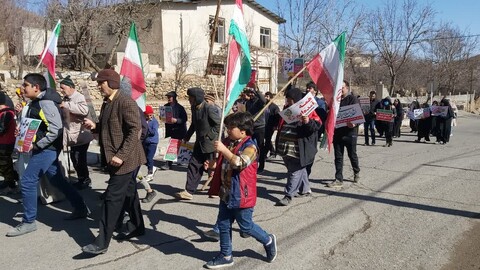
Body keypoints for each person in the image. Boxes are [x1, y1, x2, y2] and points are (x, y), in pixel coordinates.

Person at [6, 73, 89, 237]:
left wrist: (38, 144)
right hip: (44, 148)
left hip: (47, 149)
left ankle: (29, 222)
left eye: (25, 85)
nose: (22, 88)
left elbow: (55, 129)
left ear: (36, 87)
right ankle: (80, 207)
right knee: (56, 179)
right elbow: (36, 124)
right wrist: (21, 131)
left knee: (28, 180)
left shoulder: (46, 102)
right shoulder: (36, 102)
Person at [82, 69, 145, 255]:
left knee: (112, 199)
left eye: (101, 83)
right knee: (130, 193)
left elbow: (135, 131)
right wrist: (95, 126)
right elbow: (111, 126)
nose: (98, 86)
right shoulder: (107, 101)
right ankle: (137, 226)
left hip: (124, 160)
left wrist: (121, 155)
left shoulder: (125, 102)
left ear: (110, 83)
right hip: (114, 158)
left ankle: (101, 242)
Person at [204, 112, 277, 268]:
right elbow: (224, 162)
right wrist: (212, 166)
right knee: (223, 225)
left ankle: (268, 240)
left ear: (243, 131)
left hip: (242, 195)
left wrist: (223, 150)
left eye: (231, 127)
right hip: (226, 193)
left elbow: (239, 163)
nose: (228, 130)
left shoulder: (250, 146)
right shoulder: (228, 142)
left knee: (246, 226)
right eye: (227, 127)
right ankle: (226, 255)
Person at [275, 88, 321, 206]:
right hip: (285, 148)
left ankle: (288, 195)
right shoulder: (287, 110)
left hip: (299, 149)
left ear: (296, 100)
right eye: (287, 99)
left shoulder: (309, 110)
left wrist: (307, 121)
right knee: (299, 169)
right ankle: (305, 189)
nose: (288, 102)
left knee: (294, 171)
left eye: (290, 100)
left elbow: (316, 126)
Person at [175, 87, 221, 200]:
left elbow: (219, 125)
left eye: (191, 97)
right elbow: (194, 125)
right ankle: (189, 191)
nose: (190, 99)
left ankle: (216, 190)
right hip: (199, 143)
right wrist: (186, 137)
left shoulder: (209, 108)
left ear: (197, 98)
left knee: (213, 168)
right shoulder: (194, 108)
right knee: (193, 165)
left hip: (210, 144)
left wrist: (209, 136)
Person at [58, 76, 94, 190]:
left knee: (79, 158)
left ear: (71, 87)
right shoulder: (65, 98)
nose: (62, 90)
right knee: (74, 157)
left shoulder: (79, 97)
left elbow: (84, 110)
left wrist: (67, 106)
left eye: (63, 88)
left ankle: (85, 179)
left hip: (81, 134)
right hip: (72, 134)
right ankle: (81, 178)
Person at [327, 81, 360, 188]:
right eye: (338, 88)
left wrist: (354, 123)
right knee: (338, 157)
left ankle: (356, 172)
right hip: (338, 133)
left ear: (347, 88)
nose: (340, 90)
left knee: (352, 155)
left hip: (350, 133)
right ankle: (338, 178)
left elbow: (359, 116)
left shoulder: (352, 99)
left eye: (342, 88)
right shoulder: (335, 101)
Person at [162, 91, 187, 170]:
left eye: (170, 97)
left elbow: (184, 119)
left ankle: (169, 163)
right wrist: (162, 117)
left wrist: (176, 120)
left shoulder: (180, 108)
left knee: (174, 146)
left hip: (179, 130)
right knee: (172, 146)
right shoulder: (165, 106)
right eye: (168, 97)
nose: (168, 98)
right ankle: (170, 162)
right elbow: (163, 116)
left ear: (174, 98)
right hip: (170, 130)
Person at [244, 87, 267, 172]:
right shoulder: (248, 103)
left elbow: (264, 101)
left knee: (260, 146)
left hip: (260, 127)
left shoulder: (259, 102)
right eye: (250, 93)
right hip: (251, 127)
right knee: (249, 145)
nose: (251, 94)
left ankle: (261, 165)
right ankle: (250, 163)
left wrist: (257, 90)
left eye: (252, 93)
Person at [0, 91, 18, 194]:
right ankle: (11, 180)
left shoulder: (7, 113)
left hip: (6, 142)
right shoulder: (4, 112)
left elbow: (2, 128)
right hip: (3, 142)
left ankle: (11, 184)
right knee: (4, 165)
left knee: (5, 164)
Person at [264, 92, 280, 159]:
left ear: (271, 98)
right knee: (267, 139)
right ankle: (272, 151)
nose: (266, 98)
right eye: (265, 96)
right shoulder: (264, 106)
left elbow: (277, 117)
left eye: (267, 96)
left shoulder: (274, 107)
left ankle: (264, 154)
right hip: (264, 125)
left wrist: (275, 126)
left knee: (267, 140)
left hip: (271, 126)